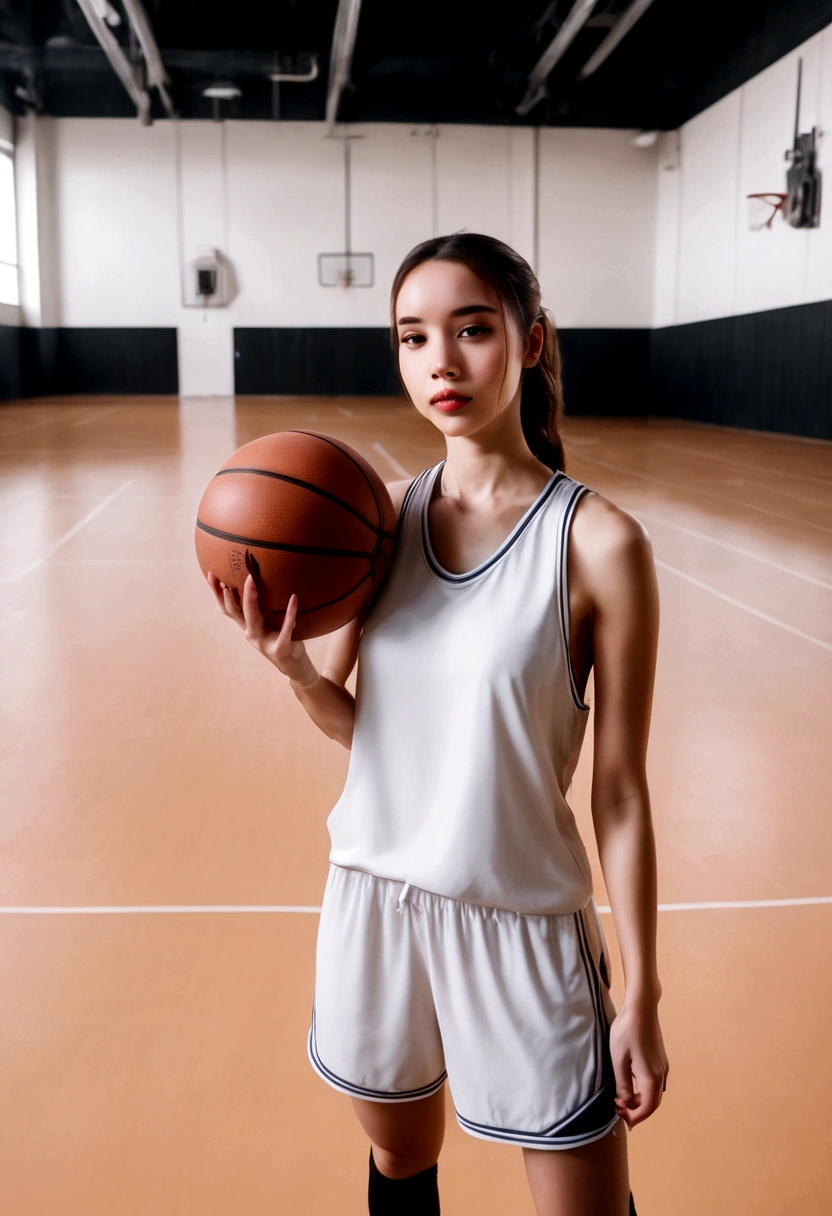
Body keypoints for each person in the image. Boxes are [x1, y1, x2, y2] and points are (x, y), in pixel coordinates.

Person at [207, 232, 669, 1216]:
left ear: (530, 341)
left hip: (522, 919)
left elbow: (620, 792)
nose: (441, 363)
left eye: (472, 330)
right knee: (400, 1164)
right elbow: (359, 723)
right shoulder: (373, 523)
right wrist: (292, 667)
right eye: (414, 337)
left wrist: (642, 993)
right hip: (376, 902)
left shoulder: (597, 543)